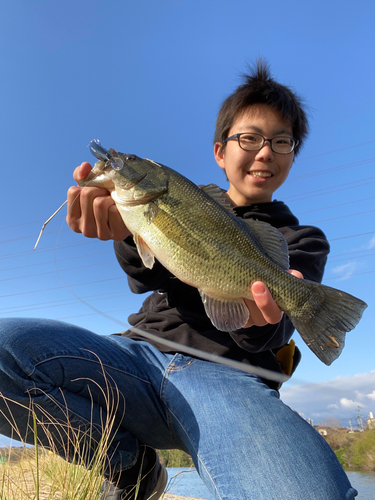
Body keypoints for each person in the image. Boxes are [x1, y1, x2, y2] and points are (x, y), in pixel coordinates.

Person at [0, 61, 358, 499]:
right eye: (249, 138)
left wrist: (257, 316)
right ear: (219, 151)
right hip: (135, 359)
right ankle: (131, 466)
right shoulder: (176, 198)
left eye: (281, 141)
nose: (265, 152)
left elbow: (270, 334)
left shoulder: (302, 239)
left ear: (291, 155)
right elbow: (142, 274)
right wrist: (127, 233)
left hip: (233, 381)